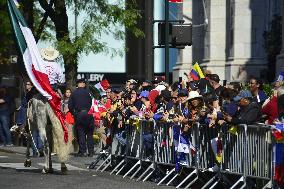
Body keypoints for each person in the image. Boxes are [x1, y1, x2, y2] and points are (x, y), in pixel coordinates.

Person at [68, 79, 94, 157]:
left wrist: (74, 113)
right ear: (83, 84)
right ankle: (91, 151)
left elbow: (70, 106)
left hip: (79, 114)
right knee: (89, 133)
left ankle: (83, 151)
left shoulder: (74, 93)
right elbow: (92, 103)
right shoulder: (88, 93)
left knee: (81, 132)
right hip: (89, 114)